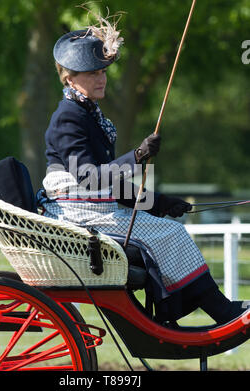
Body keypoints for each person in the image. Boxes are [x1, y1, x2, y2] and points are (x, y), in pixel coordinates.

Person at [37, 18, 245, 325]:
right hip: (75, 214)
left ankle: (211, 309)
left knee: (168, 228)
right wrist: (136, 157)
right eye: (93, 73)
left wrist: (158, 202)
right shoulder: (68, 118)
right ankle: (218, 311)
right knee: (170, 233)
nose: (102, 78)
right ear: (69, 78)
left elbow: (106, 186)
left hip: (92, 205)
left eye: (103, 71)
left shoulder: (87, 113)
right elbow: (89, 178)